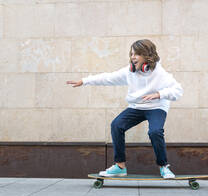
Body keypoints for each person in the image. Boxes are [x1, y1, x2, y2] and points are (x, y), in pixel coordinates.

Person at [66, 39, 183, 178]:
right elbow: (108, 78)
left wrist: (159, 94)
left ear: (147, 56)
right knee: (117, 125)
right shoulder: (129, 72)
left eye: (137, 54)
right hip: (136, 106)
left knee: (155, 131)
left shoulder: (160, 73)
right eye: (132, 53)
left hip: (156, 107)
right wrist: (84, 81)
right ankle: (120, 166)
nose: (133, 57)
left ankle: (164, 167)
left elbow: (178, 91)